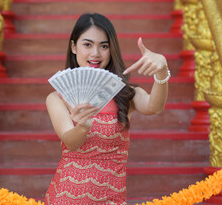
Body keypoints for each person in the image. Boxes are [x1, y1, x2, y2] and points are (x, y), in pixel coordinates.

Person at [45, 13, 169, 204]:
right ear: (73, 47)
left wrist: (161, 69)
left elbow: (154, 106)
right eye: (87, 45)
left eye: (104, 46)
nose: (96, 53)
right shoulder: (57, 98)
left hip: (112, 197)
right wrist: (82, 127)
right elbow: (71, 143)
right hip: (66, 196)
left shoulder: (125, 94)